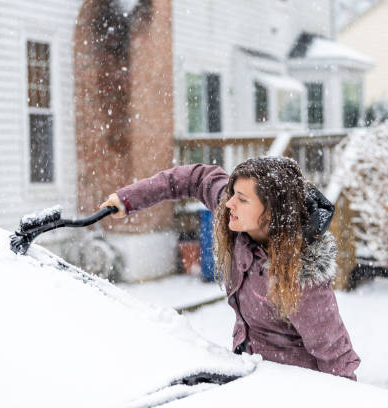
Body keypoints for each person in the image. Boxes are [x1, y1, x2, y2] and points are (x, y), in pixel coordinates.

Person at [100, 157, 360, 380]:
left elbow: (336, 357)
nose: (228, 203)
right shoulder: (236, 222)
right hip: (248, 377)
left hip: (290, 388)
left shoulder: (303, 278)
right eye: (233, 193)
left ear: (271, 213)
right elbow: (196, 178)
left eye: (242, 199)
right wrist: (128, 199)